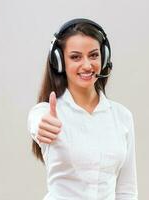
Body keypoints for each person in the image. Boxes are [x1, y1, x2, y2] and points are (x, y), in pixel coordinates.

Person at [27, 18, 138, 200]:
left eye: (93, 55)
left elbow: (127, 190)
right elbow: (36, 120)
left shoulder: (123, 117)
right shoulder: (47, 113)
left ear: (104, 57)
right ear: (59, 62)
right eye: (75, 57)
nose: (87, 65)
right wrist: (41, 125)